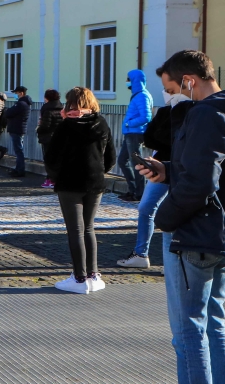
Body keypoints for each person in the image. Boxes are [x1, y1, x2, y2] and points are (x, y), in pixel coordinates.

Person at [135, 50, 225, 383]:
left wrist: (164, 217)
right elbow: (215, 171)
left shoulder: (205, 114)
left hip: (194, 232)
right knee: (213, 323)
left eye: (171, 88)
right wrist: (167, 170)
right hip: (223, 233)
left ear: (190, 81)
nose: (169, 96)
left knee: (187, 330)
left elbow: (201, 181)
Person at [44, 86, 116, 294]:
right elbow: (110, 156)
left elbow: (51, 158)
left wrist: (56, 177)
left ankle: (79, 278)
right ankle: (93, 275)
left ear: (70, 103)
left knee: (75, 230)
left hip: (69, 183)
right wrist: (99, 171)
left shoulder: (67, 126)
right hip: (94, 182)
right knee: (89, 228)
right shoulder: (101, 123)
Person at [118, 67, 182, 269]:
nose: (166, 93)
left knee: (173, 214)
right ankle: (141, 253)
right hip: (161, 166)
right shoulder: (166, 110)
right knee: (146, 208)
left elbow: (150, 126)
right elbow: (153, 135)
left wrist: (129, 124)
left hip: (179, 169)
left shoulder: (195, 112)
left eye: (170, 90)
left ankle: (172, 263)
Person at [117, 69, 153, 202]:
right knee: (122, 161)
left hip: (135, 133)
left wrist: (129, 124)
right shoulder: (138, 94)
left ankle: (139, 193)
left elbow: (146, 117)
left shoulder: (142, 95)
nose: (127, 82)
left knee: (136, 163)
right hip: (131, 133)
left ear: (134, 81)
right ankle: (133, 190)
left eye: (128, 79)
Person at [36, 89, 64, 188]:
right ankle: (55, 179)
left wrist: (39, 128)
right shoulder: (61, 108)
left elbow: (46, 126)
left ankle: (51, 180)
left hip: (48, 137)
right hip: (59, 137)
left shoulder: (47, 110)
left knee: (49, 160)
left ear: (47, 98)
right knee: (57, 159)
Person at [3, 86, 32, 177]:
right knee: (19, 149)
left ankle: (20, 170)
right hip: (19, 128)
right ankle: (18, 168)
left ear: (21, 93)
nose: (15, 95)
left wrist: (7, 111)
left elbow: (8, 113)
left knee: (19, 150)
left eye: (16, 93)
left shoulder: (21, 104)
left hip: (17, 128)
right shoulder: (25, 103)